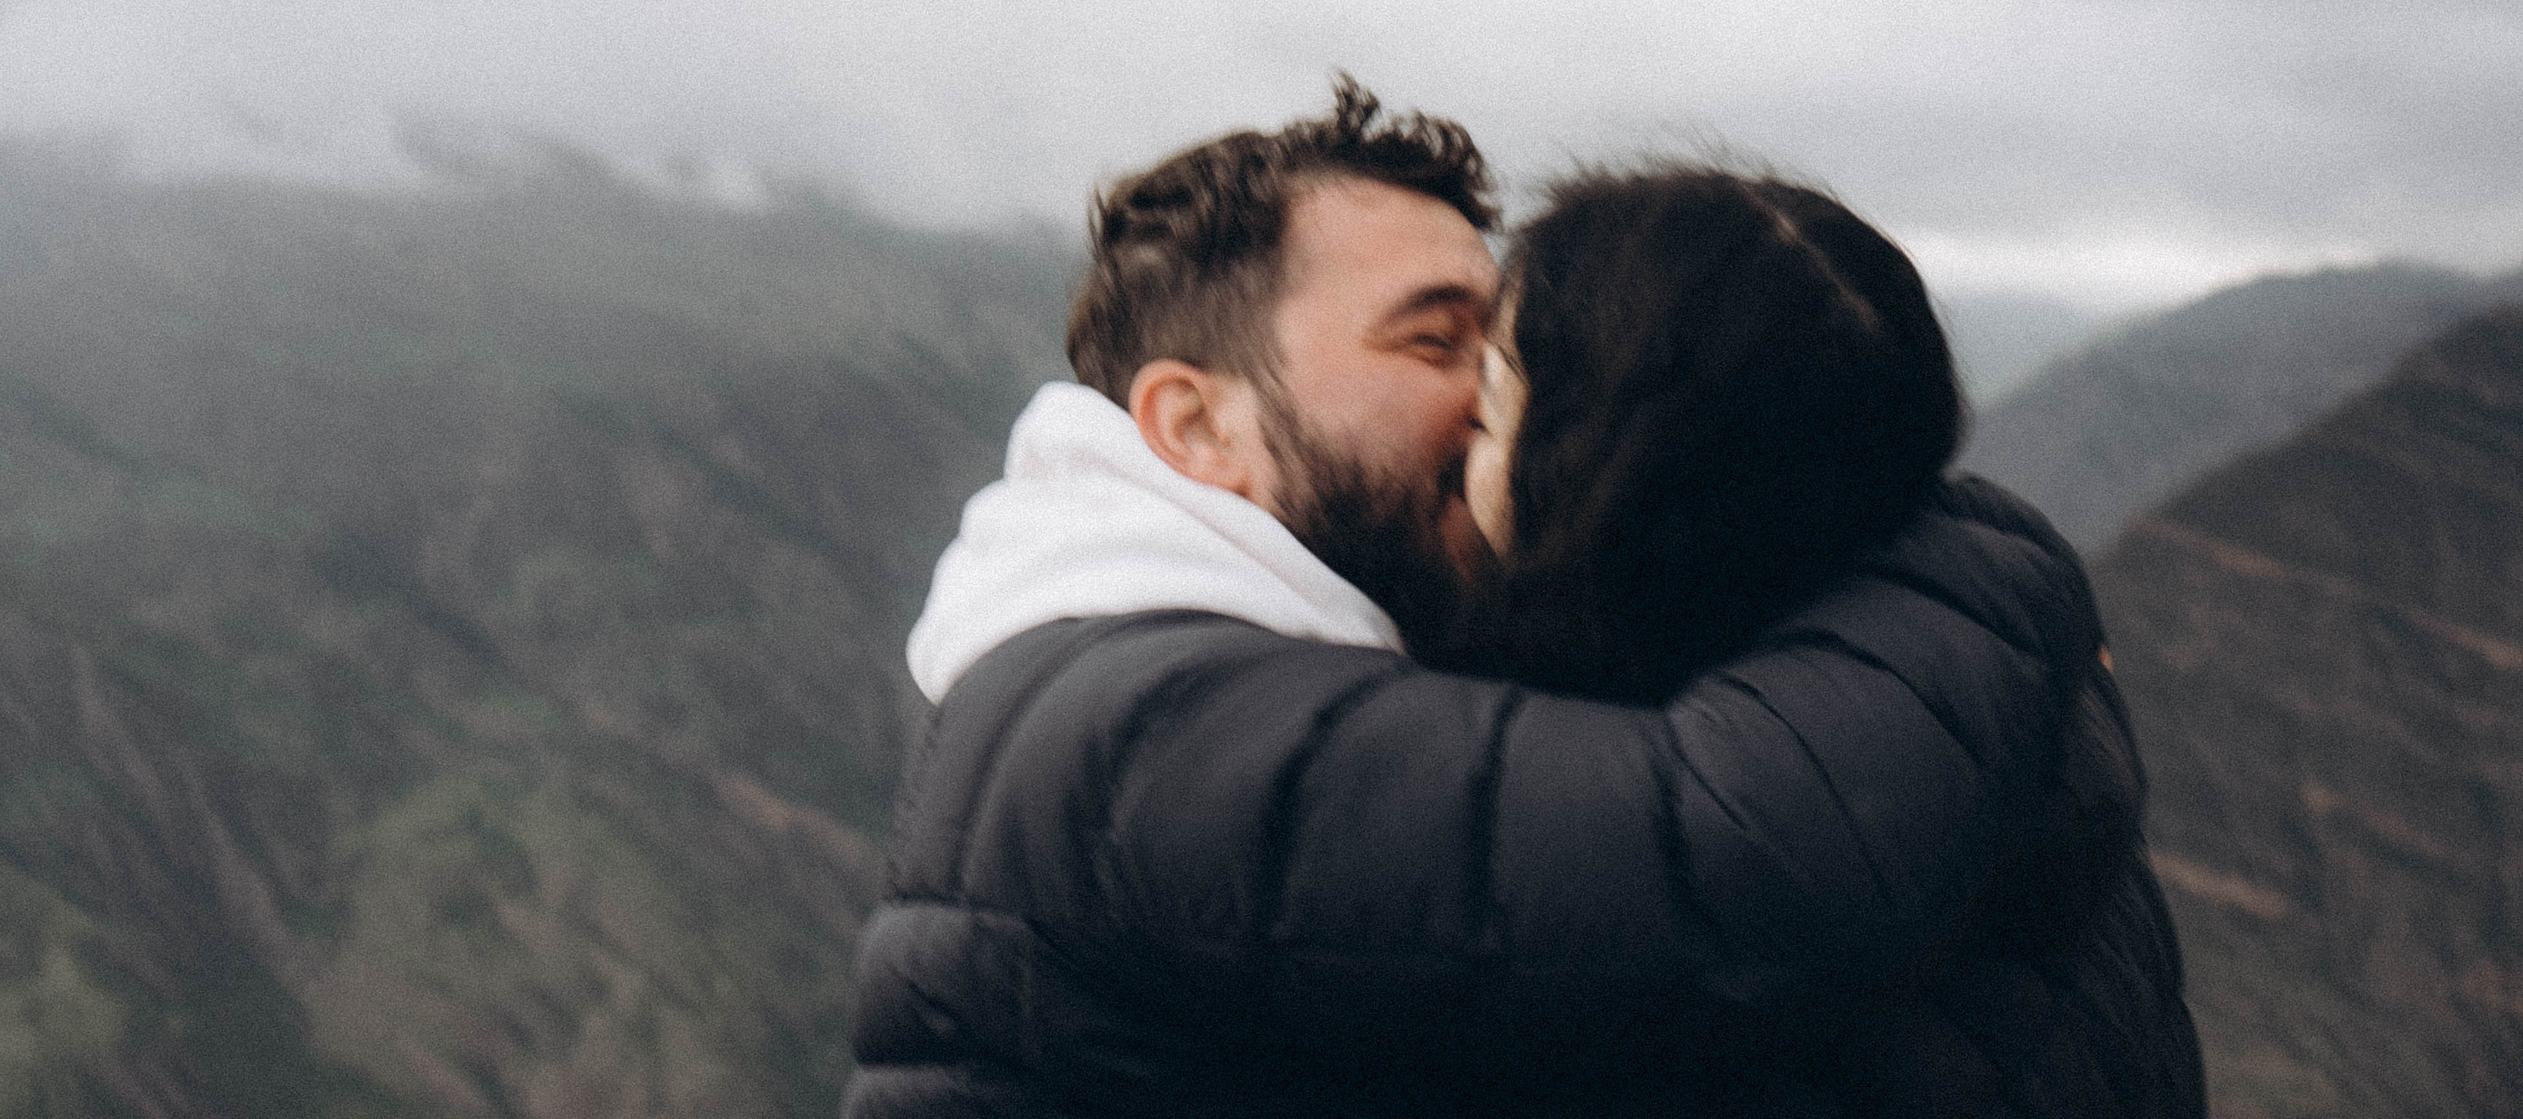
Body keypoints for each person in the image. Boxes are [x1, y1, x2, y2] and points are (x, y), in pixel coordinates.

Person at [845, 81, 2137, 1116]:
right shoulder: (1139, 725)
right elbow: (1734, 867)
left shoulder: (1256, 668)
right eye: (1433, 340)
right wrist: (1963, 554)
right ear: (1197, 425)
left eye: (1505, 343)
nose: (1500, 399)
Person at [1454, 165, 2205, 1115]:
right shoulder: (2007, 735)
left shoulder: (1673, 923)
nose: (1452, 437)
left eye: (1487, 405)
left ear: (1595, 475)